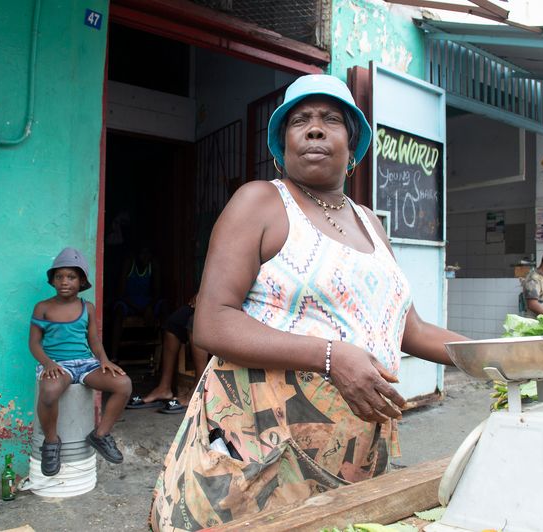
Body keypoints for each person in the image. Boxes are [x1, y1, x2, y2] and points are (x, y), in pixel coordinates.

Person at [149, 74, 467, 530]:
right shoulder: (261, 202)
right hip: (257, 442)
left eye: (330, 120)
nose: (315, 129)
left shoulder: (372, 225)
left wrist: (498, 356)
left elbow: (408, 329)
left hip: (351, 447)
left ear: (352, 145)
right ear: (282, 144)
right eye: (300, 120)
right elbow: (212, 323)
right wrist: (332, 357)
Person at [29, 247, 132, 476]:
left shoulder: (87, 308)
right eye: (59, 276)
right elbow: (34, 344)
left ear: (82, 281)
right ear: (52, 280)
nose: (65, 281)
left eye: (71, 277)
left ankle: (100, 435)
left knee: (123, 384)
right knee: (48, 391)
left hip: (86, 364)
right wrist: (47, 363)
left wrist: (104, 360)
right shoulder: (43, 307)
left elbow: (94, 340)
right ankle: (52, 443)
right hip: (57, 364)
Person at [125, 293, 210, 413]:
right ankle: (164, 388)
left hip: (234, 307)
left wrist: (208, 297)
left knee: (196, 321)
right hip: (212, 300)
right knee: (174, 322)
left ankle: (199, 389)